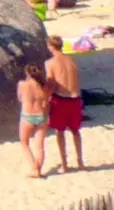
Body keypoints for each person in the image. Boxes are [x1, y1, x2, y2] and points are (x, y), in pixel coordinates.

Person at [46, 34, 85, 172]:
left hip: (61, 99)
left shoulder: (50, 63)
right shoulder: (71, 60)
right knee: (75, 131)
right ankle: (80, 161)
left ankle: (64, 163)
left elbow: (51, 84)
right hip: (75, 99)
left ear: (50, 46)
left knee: (59, 132)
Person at [19, 63, 50, 178]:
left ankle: (34, 168)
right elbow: (47, 102)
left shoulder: (22, 84)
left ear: (27, 73)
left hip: (27, 116)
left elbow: (20, 98)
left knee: (24, 143)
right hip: (41, 116)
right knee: (40, 146)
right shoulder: (44, 86)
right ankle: (38, 169)